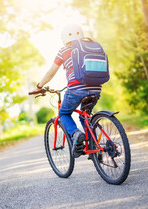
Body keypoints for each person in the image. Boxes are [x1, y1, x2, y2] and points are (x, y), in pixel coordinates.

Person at [32, 24, 102, 158]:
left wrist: (39, 86)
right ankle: (95, 147)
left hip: (76, 89)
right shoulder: (90, 48)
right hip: (96, 88)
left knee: (63, 113)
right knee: (85, 116)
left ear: (64, 38)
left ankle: (76, 134)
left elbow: (51, 72)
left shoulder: (63, 51)